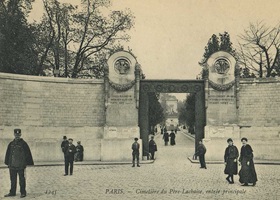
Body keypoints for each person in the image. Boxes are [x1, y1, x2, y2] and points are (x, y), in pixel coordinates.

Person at [4, 129, 34, 198]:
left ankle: (23, 192)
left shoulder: (24, 144)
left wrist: (27, 163)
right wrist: (8, 163)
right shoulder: (11, 144)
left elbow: (28, 154)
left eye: (18, 134)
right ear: (14, 134)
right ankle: (12, 192)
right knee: (12, 179)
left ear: (20, 135)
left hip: (21, 165)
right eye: (16, 134)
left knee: (22, 179)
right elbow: (8, 154)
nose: (17, 136)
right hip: (12, 165)